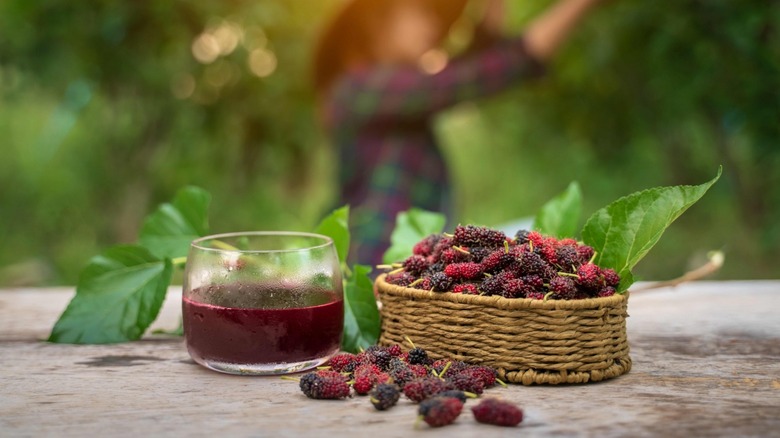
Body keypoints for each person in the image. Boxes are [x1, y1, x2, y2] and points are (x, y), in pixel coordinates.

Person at [313, 0, 606, 266]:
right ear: (375, 19)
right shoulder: (357, 91)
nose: (431, 26)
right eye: (418, 11)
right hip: (374, 267)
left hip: (408, 268)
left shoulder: (396, 104)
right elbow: (473, 76)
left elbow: (472, 63)